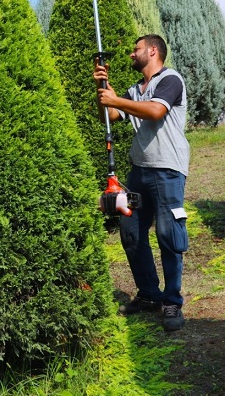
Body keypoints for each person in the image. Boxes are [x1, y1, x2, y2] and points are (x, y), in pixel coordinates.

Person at [93, 34, 189, 332]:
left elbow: (156, 111)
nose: (131, 55)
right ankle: (149, 295)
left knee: (168, 234)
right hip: (139, 171)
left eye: (136, 50)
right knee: (131, 232)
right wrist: (102, 88)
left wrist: (115, 99)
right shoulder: (135, 90)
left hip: (167, 171)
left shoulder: (170, 80)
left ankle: (172, 301)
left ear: (152, 50)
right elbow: (110, 114)